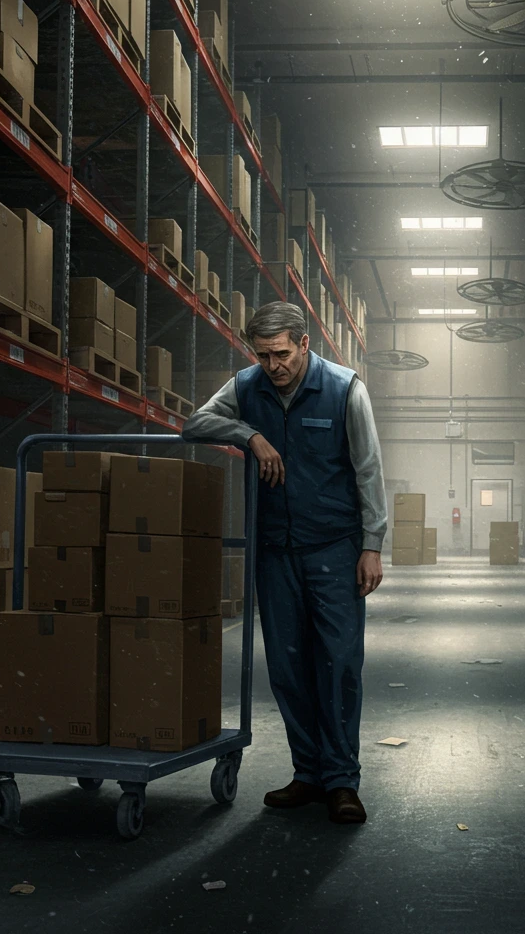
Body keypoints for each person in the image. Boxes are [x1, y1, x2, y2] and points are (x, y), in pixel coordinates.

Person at [183, 301, 387, 824]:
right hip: (276, 550)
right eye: (263, 355)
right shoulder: (247, 386)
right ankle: (308, 774)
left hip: (334, 548)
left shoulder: (345, 388)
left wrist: (372, 545)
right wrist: (249, 435)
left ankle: (342, 781)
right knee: (288, 667)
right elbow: (194, 422)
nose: (273, 366)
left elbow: (368, 470)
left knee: (339, 665)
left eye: (281, 354)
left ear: (304, 344)